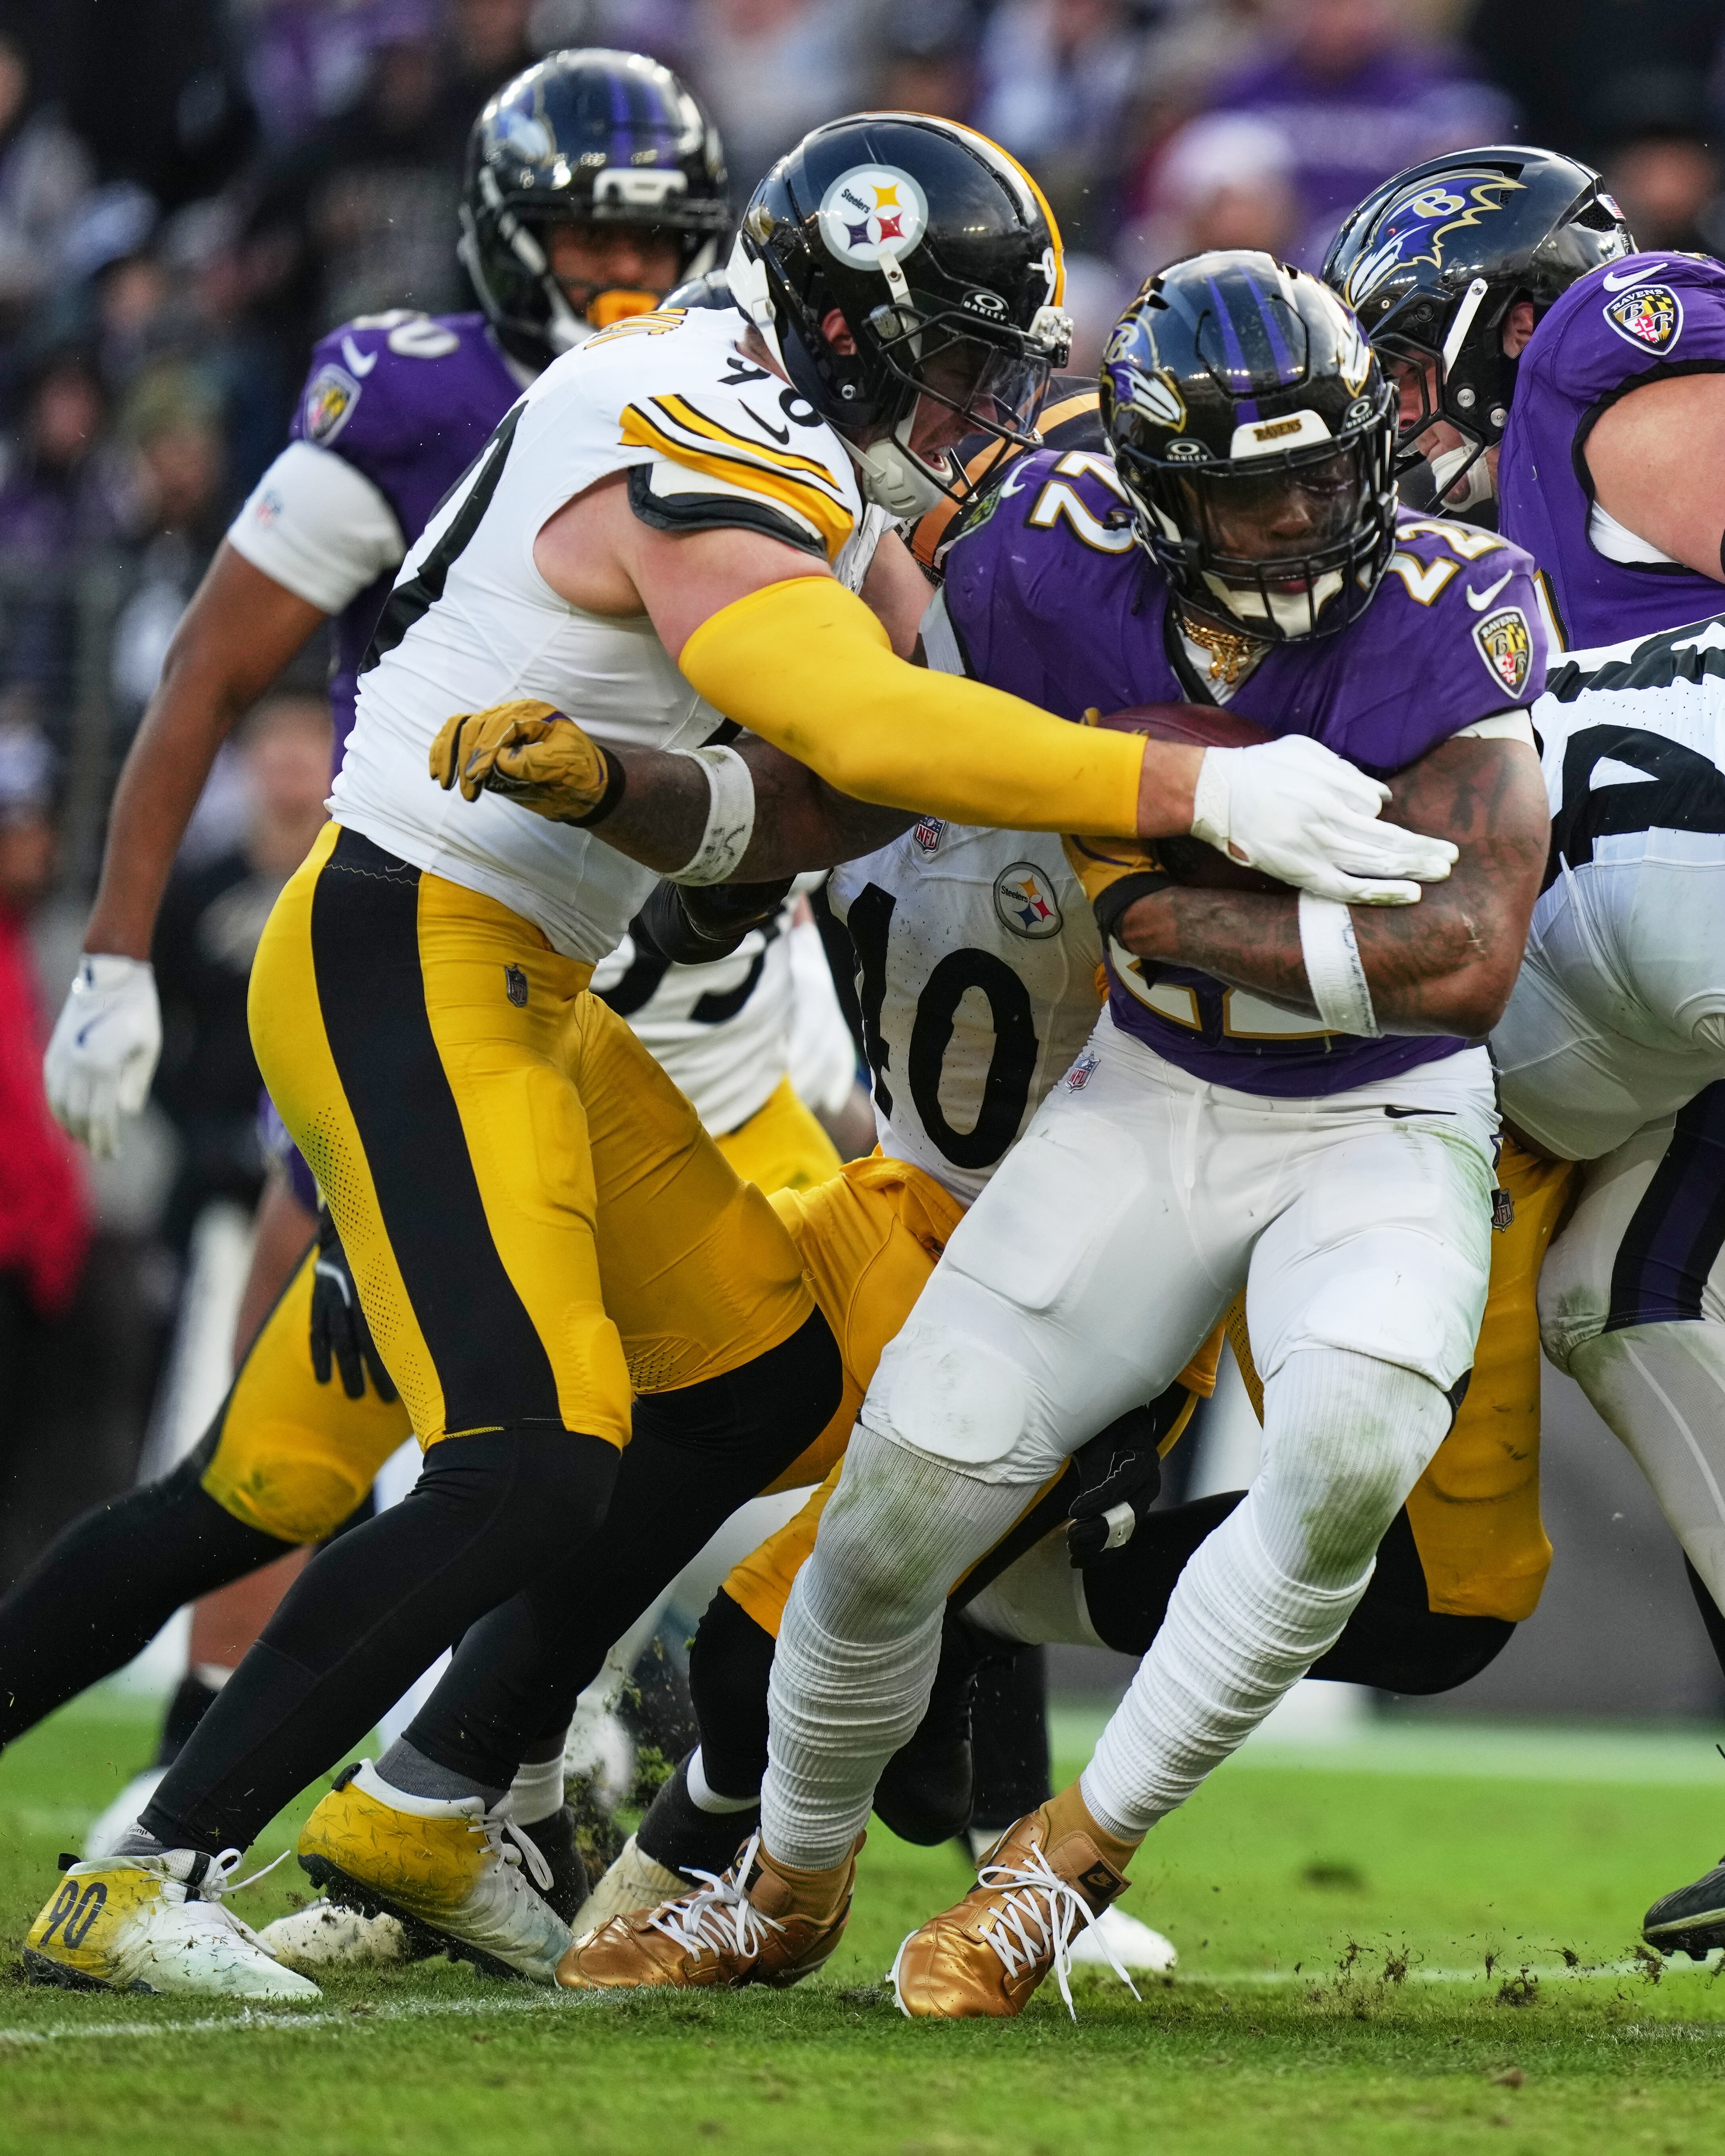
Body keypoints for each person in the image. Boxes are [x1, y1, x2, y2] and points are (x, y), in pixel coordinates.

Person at [18, 113, 1455, 2001]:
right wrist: (1192, 785)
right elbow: (852, 717)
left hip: (531, 975)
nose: (978, 409)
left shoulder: (786, 437)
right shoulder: (706, 410)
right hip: (404, 939)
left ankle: (431, 1812)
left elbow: (851, 763)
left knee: (757, 1372)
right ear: (844, 329)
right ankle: (147, 1869)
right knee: (512, 1462)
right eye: (956, 363)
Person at [555, 248, 1551, 2016]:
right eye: (1248, 492)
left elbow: (1463, 964)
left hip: (1379, 1113)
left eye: (1325, 471)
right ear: (1159, 494)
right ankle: (782, 1882)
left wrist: (1169, 912)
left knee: (1341, 1460)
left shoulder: (1451, 597)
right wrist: (695, 833)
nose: (1300, 518)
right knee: (889, 1519)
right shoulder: (1032, 563)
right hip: (1147, 1095)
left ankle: (1059, 1867)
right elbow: (861, 759)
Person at [10, 45, 732, 1825]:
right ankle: (222, 1769)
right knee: (283, 1465)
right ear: (501, 232)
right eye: (587, 237)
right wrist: (115, 955)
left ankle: (533, 1751)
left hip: (672, 989)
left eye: (654, 241)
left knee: (737, 1389)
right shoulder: (418, 394)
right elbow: (211, 667)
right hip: (430, 956)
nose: (621, 275)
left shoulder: (734, 405)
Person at [1327, 144, 1725, 1958]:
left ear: (1507, 317)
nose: (1399, 409)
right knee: (1622, 1294)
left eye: (1413, 358)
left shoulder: (1608, 337)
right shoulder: (1500, 569)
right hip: (1667, 973)